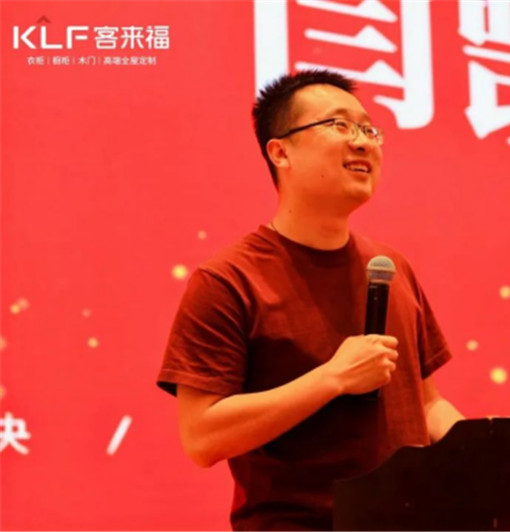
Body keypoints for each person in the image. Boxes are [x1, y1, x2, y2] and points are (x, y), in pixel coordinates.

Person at [157, 69, 464, 531]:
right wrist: (333, 378)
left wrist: (492, 452)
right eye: (339, 125)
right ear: (280, 152)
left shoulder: (390, 268)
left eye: (368, 129)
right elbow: (202, 436)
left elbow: (425, 407)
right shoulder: (228, 280)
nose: (362, 142)